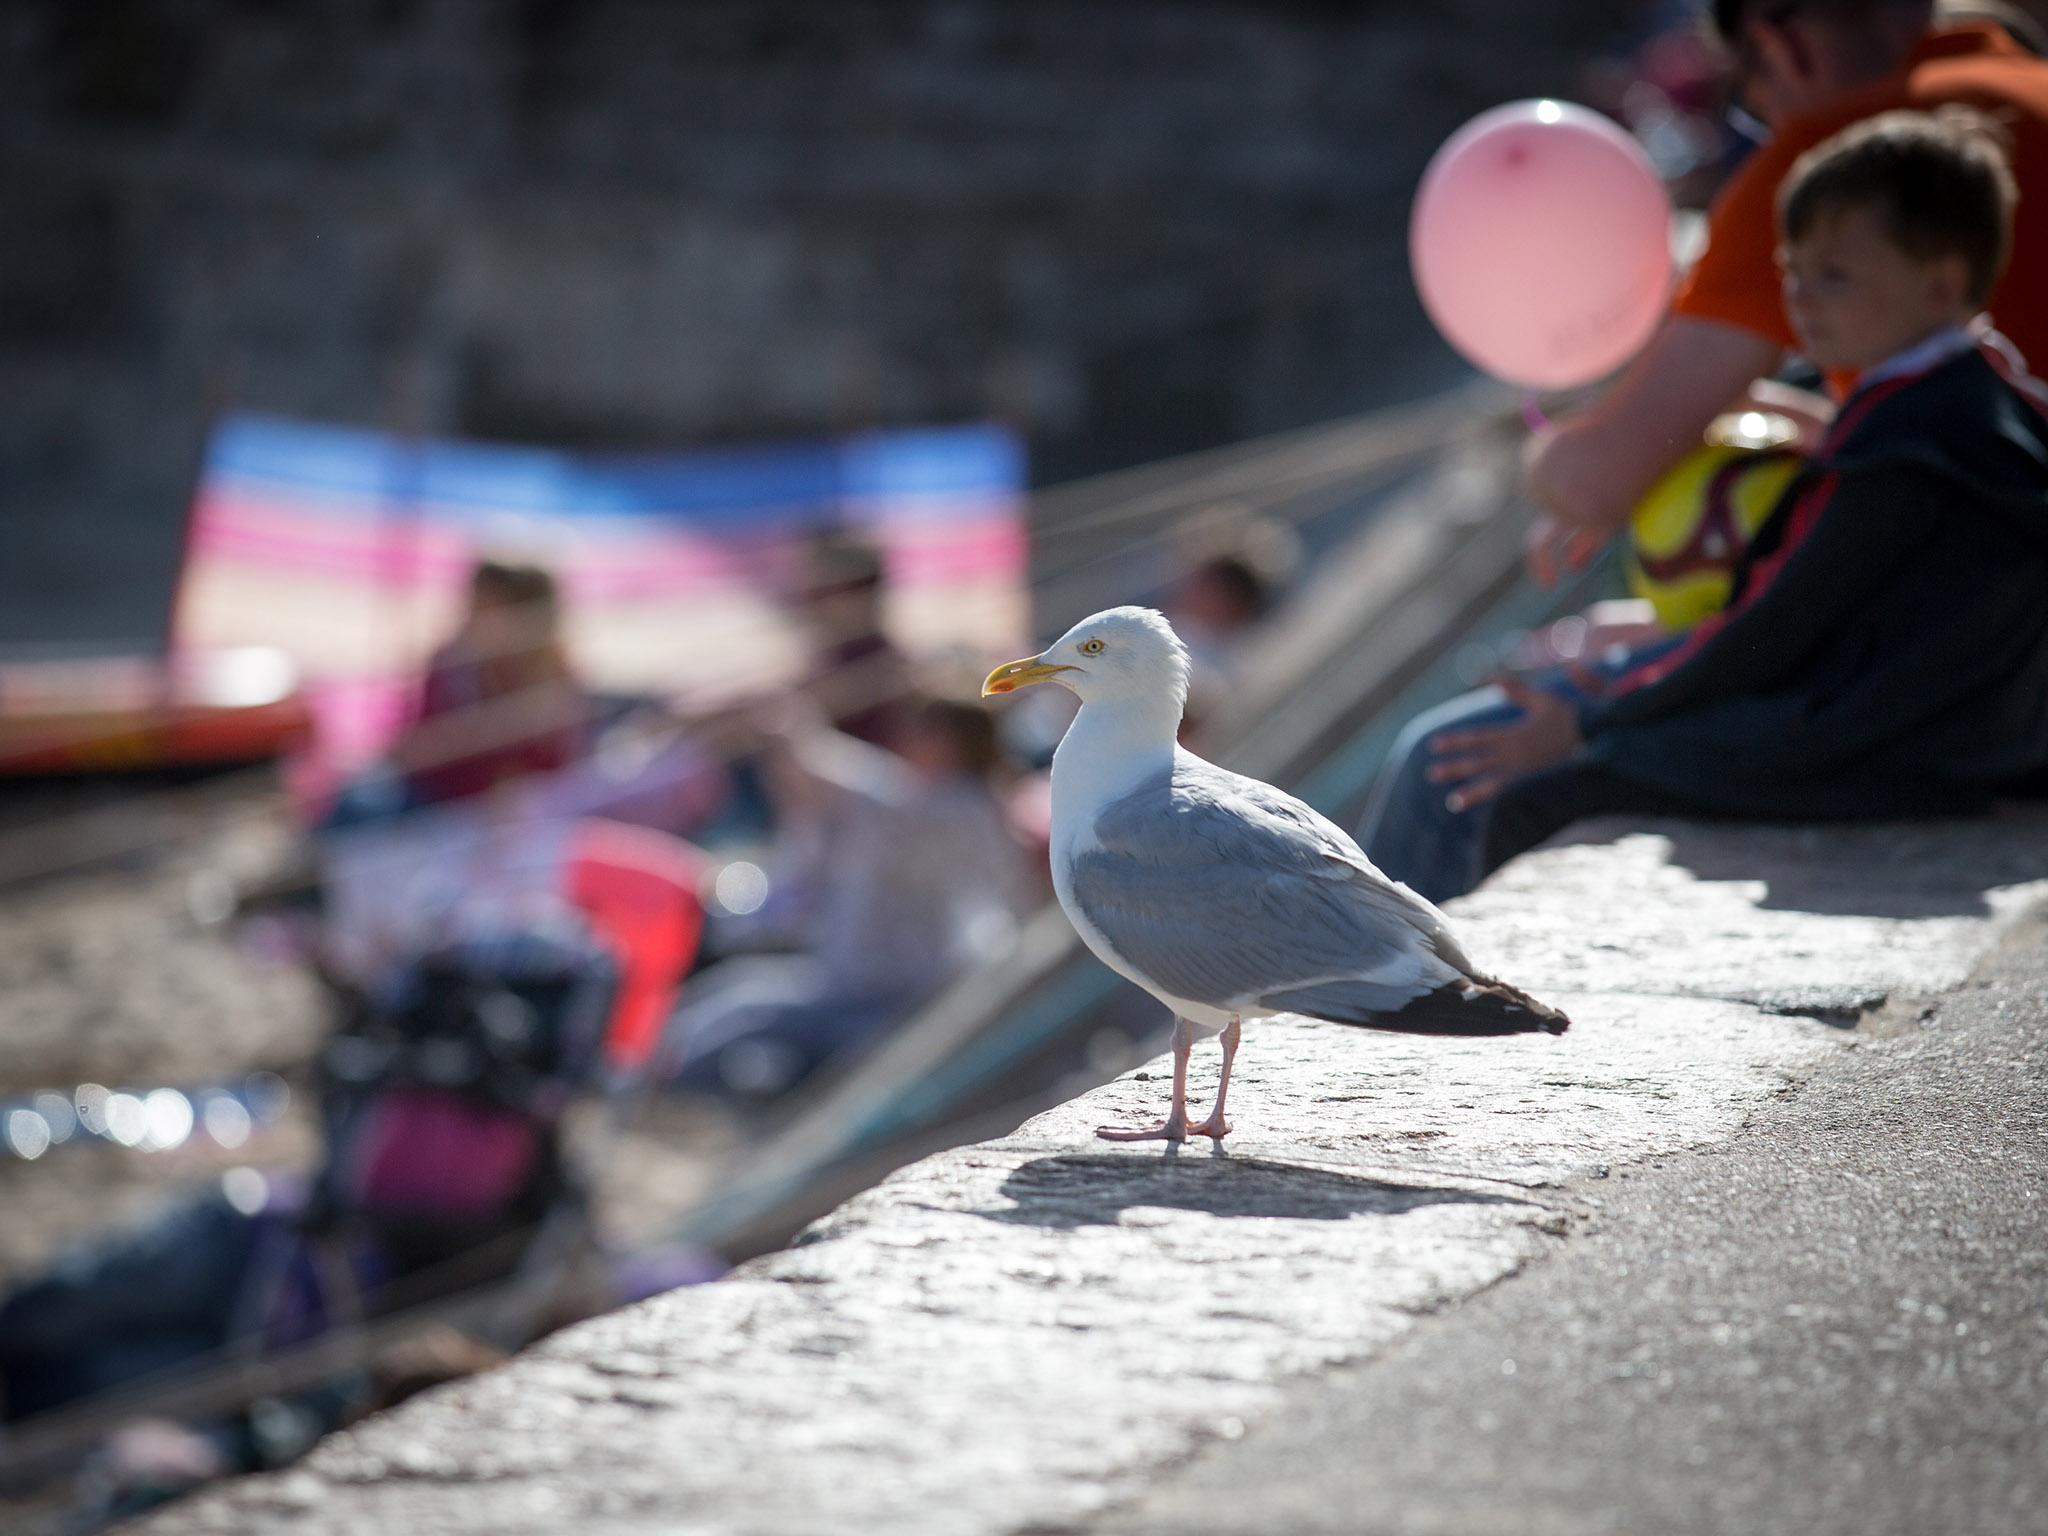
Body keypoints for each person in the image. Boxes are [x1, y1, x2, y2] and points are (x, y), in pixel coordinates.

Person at [1365, 107, 2048, 896]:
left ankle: (1396, 1000)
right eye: (1793, 272)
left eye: (1835, 275)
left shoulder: (1903, 450)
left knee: (1497, 784)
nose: (1801, 301)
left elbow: (1767, 635)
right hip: (1949, 724)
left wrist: (1588, 723)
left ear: (1942, 282)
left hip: (1891, 746)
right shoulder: (1976, 401)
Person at [1521, 0, 2048, 584]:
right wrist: (1823, 425)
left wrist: (1544, 448)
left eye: (1748, 100)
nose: (1769, 123)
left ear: (1778, 47)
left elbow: (1594, 483)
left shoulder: (1822, 168)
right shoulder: (2021, 72)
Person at [668, 694, 1036, 1099]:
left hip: (894, 1002)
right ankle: (641, 1072)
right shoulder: (921, 798)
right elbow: (817, 792)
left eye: (923, 732)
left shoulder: (964, 810)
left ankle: (652, 1086)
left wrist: (794, 728)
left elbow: (855, 782)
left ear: (951, 740)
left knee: (743, 1018)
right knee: (731, 996)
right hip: (849, 980)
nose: (907, 740)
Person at [320, 559, 588, 830]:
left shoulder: (554, 683)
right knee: (355, 801)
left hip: (496, 822)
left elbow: (548, 776)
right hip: (433, 796)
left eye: (490, 608)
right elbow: (420, 747)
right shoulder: (453, 663)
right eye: (475, 605)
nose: (475, 616)